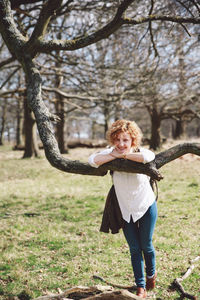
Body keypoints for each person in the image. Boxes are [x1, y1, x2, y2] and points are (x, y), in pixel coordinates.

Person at [88, 119, 157, 298]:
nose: (121, 144)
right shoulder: (110, 152)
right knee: (134, 249)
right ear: (112, 139)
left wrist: (122, 156)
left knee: (146, 245)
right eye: (117, 140)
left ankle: (151, 274)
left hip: (145, 205)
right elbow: (92, 160)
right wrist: (115, 155)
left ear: (133, 140)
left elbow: (148, 157)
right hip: (125, 209)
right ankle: (140, 286)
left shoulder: (139, 152)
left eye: (125, 140)